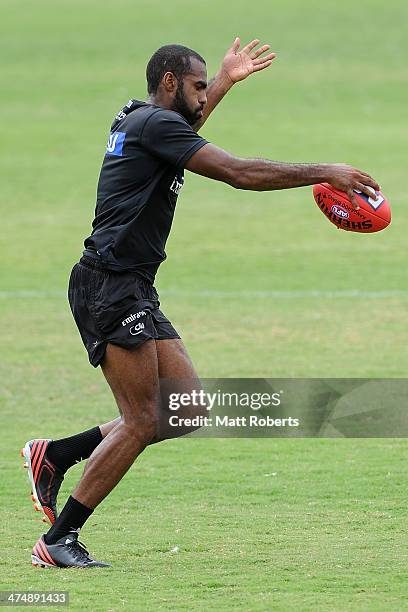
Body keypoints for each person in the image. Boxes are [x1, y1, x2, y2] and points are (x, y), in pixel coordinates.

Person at [22, 38, 379, 568]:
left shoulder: (145, 121)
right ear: (170, 82)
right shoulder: (157, 126)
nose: (202, 93)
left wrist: (227, 82)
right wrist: (323, 170)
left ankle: (58, 453)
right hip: (111, 284)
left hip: (132, 283)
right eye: (197, 85)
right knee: (142, 419)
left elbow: (185, 127)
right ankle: (58, 540)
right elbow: (238, 172)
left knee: (185, 409)